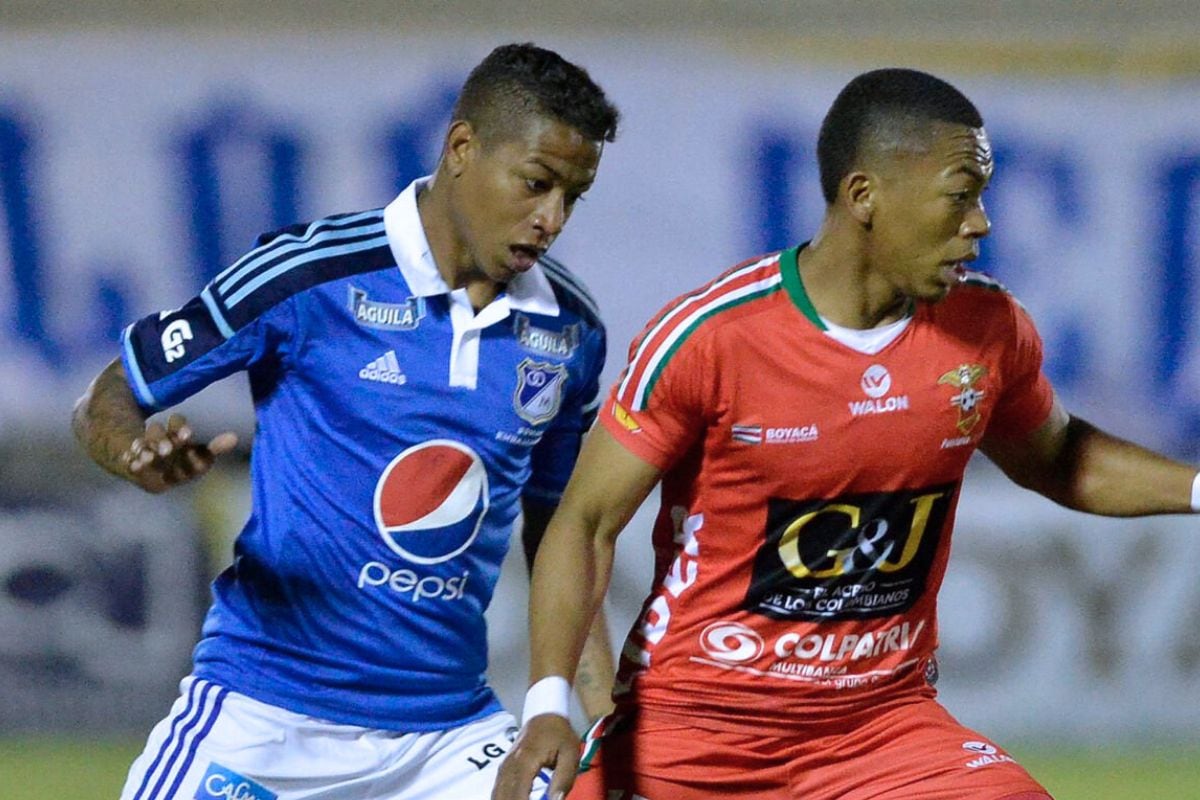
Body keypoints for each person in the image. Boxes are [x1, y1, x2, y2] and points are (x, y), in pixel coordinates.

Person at [493, 67, 1200, 800]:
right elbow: (583, 522)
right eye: (961, 196)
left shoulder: (987, 330)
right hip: (695, 727)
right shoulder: (712, 339)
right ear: (865, 196)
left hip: (880, 729)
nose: (982, 223)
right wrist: (550, 703)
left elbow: (1061, 459)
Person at [72, 42, 620, 800]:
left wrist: (582, 711)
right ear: (462, 148)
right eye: (536, 184)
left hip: (448, 738)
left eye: (572, 197)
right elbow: (109, 396)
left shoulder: (569, 331)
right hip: (268, 719)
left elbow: (564, 530)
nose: (551, 218)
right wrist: (136, 451)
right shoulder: (311, 275)